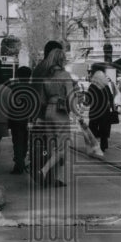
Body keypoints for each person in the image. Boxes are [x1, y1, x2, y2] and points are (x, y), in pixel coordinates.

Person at [31, 42, 78, 187]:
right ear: (61, 60)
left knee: (52, 147)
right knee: (62, 148)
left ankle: (52, 178)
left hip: (48, 113)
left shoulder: (46, 76)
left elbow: (42, 99)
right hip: (60, 113)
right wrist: (77, 112)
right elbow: (71, 98)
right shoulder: (65, 75)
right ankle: (44, 171)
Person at [7, 66, 35, 174]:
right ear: (30, 75)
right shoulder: (33, 87)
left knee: (17, 141)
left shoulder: (13, 87)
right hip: (29, 118)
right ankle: (21, 160)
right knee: (25, 140)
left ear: (18, 76)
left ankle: (19, 164)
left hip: (16, 118)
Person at [87, 63, 116, 153]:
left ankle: (93, 145)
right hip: (105, 111)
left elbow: (88, 100)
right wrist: (112, 107)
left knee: (92, 128)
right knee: (104, 128)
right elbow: (111, 98)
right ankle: (103, 145)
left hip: (95, 110)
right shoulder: (106, 86)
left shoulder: (92, 86)